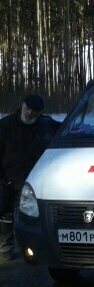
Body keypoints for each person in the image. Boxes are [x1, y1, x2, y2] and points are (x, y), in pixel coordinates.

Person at [0, 94, 61, 262]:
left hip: (33, 183)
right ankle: (5, 251)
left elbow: (65, 130)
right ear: (22, 105)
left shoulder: (46, 125)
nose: (29, 114)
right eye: (27, 109)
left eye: (34, 112)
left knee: (29, 220)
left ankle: (34, 251)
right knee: (5, 217)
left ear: (40, 113)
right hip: (8, 181)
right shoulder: (6, 125)